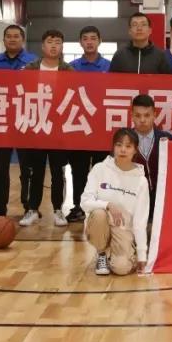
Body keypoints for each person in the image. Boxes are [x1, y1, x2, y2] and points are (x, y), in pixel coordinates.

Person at [18, 30, 73, 228]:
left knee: (58, 172)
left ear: (62, 47)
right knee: (36, 171)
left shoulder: (69, 71)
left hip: (59, 129)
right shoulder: (30, 69)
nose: (54, 45)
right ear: (42, 46)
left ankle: (58, 209)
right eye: (50, 42)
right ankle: (32, 209)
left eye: (58, 42)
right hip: (36, 127)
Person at [0, 24, 37, 221]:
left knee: (27, 167)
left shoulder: (33, 61)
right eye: (9, 36)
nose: (12, 39)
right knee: (0, 168)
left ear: (22, 39)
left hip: (25, 119)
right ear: (4, 40)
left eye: (16, 36)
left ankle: (29, 206)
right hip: (2, 121)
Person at [81, 128, 151, 276]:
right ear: (113, 147)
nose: (123, 150)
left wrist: (142, 255)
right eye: (119, 145)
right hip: (101, 224)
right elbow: (85, 202)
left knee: (122, 268)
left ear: (135, 150)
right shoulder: (99, 169)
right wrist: (108, 205)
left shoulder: (141, 181)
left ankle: (121, 253)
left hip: (123, 229)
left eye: (128, 146)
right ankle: (101, 253)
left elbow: (140, 221)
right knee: (99, 213)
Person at [66, 25, 111, 223]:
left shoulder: (110, 67)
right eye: (85, 38)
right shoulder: (71, 67)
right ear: (80, 42)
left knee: (101, 170)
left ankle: (101, 206)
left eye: (93, 38)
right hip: (79, 126)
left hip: (102, 127)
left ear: (100, 41)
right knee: (79, 170)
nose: (89, 42)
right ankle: (79, 206)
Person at [130, 94, 172, 227]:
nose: (142, 120)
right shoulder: (124, 140)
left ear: (154, 115)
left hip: (162, 203)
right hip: (134, 202)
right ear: (132, 116)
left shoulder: (168, 140)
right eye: (138, 115)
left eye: (147, 115)